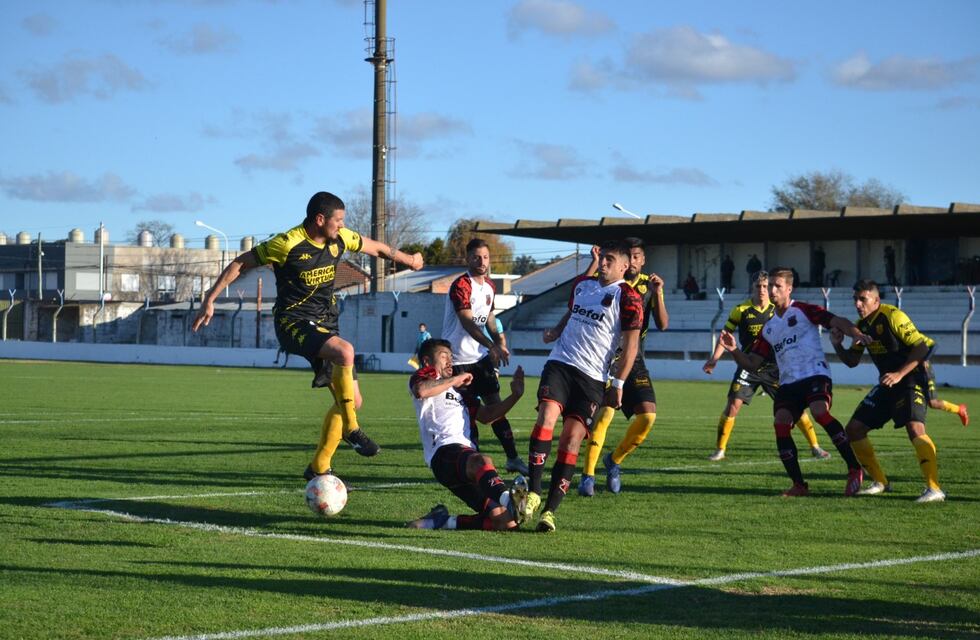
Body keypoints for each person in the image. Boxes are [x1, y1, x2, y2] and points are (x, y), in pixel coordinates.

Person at [192, 191, 423, 481]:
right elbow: (241, 262)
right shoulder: (287, 243)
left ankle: (318, 467)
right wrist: (210, 298)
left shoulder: (341, 238)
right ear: (319, 219)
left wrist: (409, 260)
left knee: (354, 399)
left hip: (326, 323)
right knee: (346, 352)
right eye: (338, 220)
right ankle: (352, 430)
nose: (342, 226)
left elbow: (374, 247)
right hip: (293, 322)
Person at [718, 267, 870, 497]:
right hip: (789, 383)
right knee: (781, 423)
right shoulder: (769, 328)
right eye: (770, 285)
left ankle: (854, 468)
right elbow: (752, 364)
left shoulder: (803, 310)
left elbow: (836, 320)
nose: (771, 289)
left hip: (814, 374)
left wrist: (856, 334)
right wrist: (734, 350)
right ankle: (799, 485)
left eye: (777, 285)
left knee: (820, 412)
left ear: (789, 289)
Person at [524, 240, 643, 532]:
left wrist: (618, 383)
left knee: (572, 440)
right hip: (561, 364)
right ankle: (534, 492)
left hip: (592, 378)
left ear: (624, 266)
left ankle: (549, 511)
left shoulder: (628, 298)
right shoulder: (582, 286)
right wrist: (556, 330)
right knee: (546, 417)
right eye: (602, 258)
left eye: (609, 260)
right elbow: (573, 311)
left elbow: (630, 346)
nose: (602, 263)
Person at [830, 280, 947, 502]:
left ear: (876, 300)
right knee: (854, 429)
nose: (857, 304)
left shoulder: (893, 316)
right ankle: (881, 482)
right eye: (855, 299)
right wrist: (837, 345)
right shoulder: (862, 326)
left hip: (910, 378)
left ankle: (934, 488)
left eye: (862, 299)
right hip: (888, 383)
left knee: (915, 428)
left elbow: (922, 347)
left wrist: (900, 374)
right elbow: (852, 361)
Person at [702, 270, 831, 462]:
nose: (763, 290)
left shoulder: (776, 309)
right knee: (732, 406)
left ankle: (815, 446)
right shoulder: (741, 310)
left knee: (797, 408)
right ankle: (720, 449)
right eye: (758, 286)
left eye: (765, 286)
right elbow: (725, 336)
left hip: (775, 369)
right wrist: (714, 359)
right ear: (752, 288)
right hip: (749, 367)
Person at [577, 239, 668, 496]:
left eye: (637, 256)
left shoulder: (649, 286)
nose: (633, 262)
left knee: (648, 416)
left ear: (641, 261)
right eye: (629, 257)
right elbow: (580, 291)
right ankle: (588, 477)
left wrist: (659, 293)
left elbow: (662, 324)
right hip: (605, 358)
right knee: (604, 416)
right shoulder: (606, 284)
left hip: (634, 358)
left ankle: (614, 461)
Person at [406, 338, 528, 530]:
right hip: (445, 452)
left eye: (451, 357)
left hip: (463, 462)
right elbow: (421, 390)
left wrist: (515, 396)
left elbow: (487, 416)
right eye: (443, 356)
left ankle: (442, 521)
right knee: (482, 461)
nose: (449, 361)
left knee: (505, 522)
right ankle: (508, 499)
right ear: (428, 362)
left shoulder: (460, 392)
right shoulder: (424, 377)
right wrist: (455, 379)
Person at [442, 238, 527, 475]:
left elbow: (489, 318)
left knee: (497, 407)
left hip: (481, 360)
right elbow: (467, 321)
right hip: (458, 360)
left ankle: (512, 459)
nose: (482, 262)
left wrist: (499, 341)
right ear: (467, 258)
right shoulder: (461, 285)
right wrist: (492, 345)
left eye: (486, 257)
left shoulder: (489, 286)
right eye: (477, 257)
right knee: (469, 415)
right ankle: (474, 466)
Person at [921, 360, 969, 426]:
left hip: (925, 372)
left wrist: (924, 360)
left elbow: (924, 351)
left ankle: (960, 409)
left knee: (933, 403)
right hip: (913, 374)